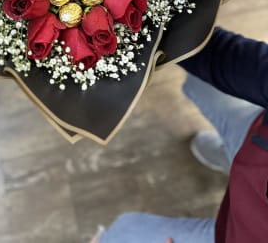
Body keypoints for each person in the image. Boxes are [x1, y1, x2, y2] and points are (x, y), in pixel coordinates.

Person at [90, 27, 268, 243]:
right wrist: (153, 25)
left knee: (123, 232)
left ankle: (236, 162)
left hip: (237, 233)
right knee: (201, 83)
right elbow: (226, 56)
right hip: (256, 140)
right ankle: (232, 159)